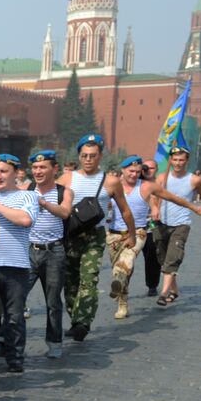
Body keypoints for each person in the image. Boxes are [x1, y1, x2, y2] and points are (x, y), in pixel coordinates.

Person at [58, 134, 136, 342]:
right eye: (84, 155)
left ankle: (83, 321)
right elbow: (52, 203)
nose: (88, 159)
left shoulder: (111, 181)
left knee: (89, 278)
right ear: (79, 156)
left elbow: (125, 210)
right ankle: (75, 319)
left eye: (93, 155)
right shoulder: (66, 179)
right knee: (70, 281)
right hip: (70, 235)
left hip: (95, 236)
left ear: (100, 156)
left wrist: (132, 234)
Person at [0, 154, 38, 371]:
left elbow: (25, 220)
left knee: (14, 317)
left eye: (3, 171)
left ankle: (15, 359)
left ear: (16, 173)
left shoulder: (28, 197)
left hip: (16, 267)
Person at [150, 146, 201, 307]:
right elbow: (153, 196)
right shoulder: (162, 178)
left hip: (181, 224)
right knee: (163, 260)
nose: (178, 163)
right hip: (161, 223)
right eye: (175, 160)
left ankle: (163, 293)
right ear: (171, 160)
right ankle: (174, 290)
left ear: (187, 161)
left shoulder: (195, 180)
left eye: (181, 160)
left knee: (173, 258)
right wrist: (155, 208)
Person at [24, 150, 72, 359]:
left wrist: (43, 203)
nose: (38, 171)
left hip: (54, 252)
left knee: (53, 302)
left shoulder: (64, 192)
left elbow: (65, 213)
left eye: (43, 167)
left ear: (55, 169)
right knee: (16, 299)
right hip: (29, 251)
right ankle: (9, 342)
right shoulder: (27, 189)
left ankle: (54, 342)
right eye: (35, 168)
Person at [105, 155, 154, 320]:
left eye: (137, 172)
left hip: (137, 232)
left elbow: (167, 196)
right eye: (131, 171)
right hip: (113, 234)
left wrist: (194, 207)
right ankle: (122, 302)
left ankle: (121, 297)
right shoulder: (112, 185)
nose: (134, 174)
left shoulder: (145, 186)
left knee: (125, 263)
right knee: (122, 271)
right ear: (123, 170)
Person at [140, 159, 163, 297]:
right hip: (135, 225)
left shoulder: (161, 184)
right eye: (146, 168)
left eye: (152, 168)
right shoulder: (136, 182)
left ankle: (152, 285)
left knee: (152, 258)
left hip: (153, 226)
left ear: (157, 169)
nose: (148, 171)